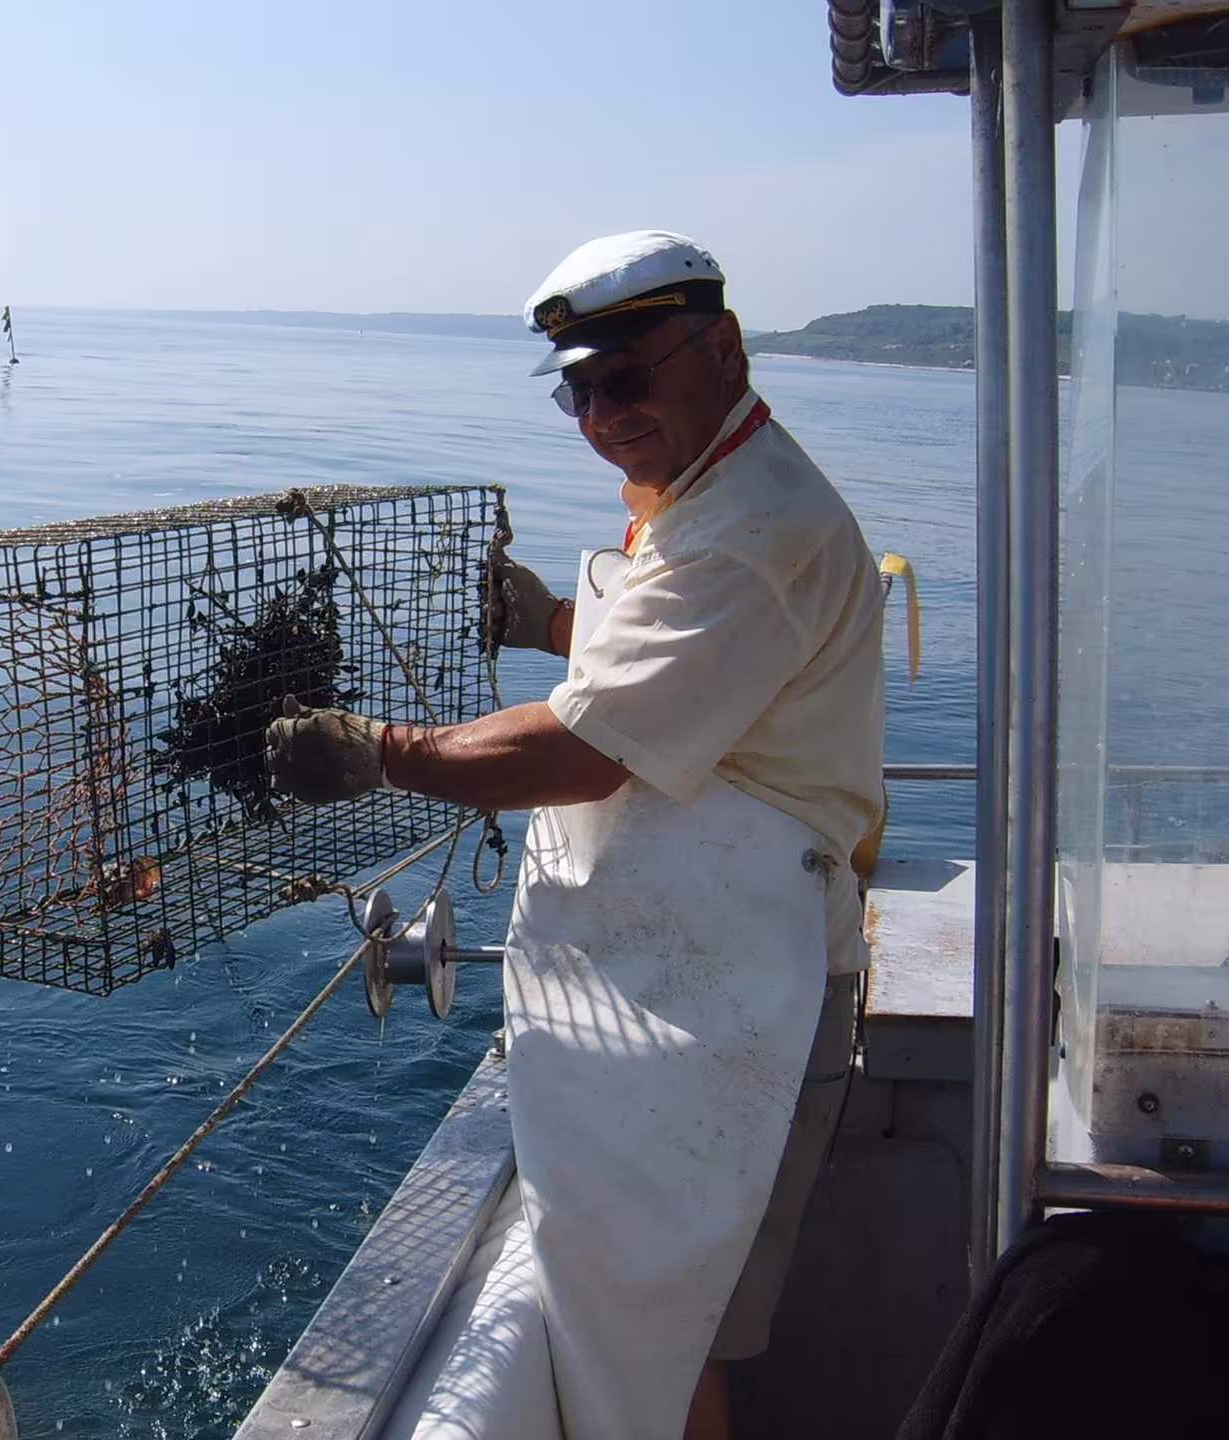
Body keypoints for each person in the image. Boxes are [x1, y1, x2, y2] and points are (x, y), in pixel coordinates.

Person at [265, 231, 885, 1440]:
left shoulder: (760, 530)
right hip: (675, 995)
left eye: (630, 379)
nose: (604, 413)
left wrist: (380, 750)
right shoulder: (705, 487)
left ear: (725, 349)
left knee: (676, 1338)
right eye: (578, 390)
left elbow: (584, 748)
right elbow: (673, 643)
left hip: (740, 1006)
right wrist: (555, 615)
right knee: (647, 1326)